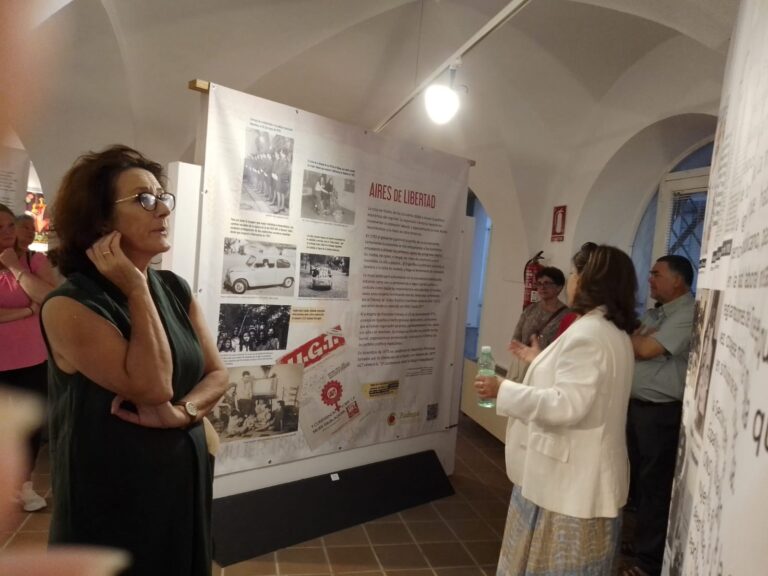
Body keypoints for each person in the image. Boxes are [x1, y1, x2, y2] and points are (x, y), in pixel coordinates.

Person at [40, 145, 229, 576]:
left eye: (163, 196)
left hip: (180, 485)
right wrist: (136, 287)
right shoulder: (69, 305)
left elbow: (218, 374)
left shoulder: (175, 288)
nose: (163, 209)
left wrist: (185, 413)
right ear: (102, 220)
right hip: (113, 495)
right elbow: (152, 386)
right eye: (145, 199)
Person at [475, 245, 638, 575]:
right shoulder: (610, 330)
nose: (572, 280)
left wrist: (502, 389)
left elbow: (567, 405)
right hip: (577, 473)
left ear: (592, 280)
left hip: (571, 480)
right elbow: (586, 387)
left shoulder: (590, 334)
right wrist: (539, 361)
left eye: (577, 273)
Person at [623, 255, 695, 576]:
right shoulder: (656, 313)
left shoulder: (686, 313)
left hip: (661, 415)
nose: (649, 279)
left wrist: (637, 340)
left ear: (678, 280)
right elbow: (633, 342)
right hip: (637, 409)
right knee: (637, 483)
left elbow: (645, 349)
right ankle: (640, 544)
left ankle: (648, 562)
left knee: (654, 488)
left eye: (656, 274)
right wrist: (637, 340)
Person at [0, 203, 57, 512]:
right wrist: (25, 310)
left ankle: (23, 486)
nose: (8, 233)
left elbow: (49, 297)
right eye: (0, 228)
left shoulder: (35, 260)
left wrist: (14, 267)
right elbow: (35, 302)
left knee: (30, 424)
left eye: (11, 225)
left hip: (31, 359)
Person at [507, 266, 569, 379]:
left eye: (547, 283)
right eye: (539, 283)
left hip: (546, 370)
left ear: (559, 287)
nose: (542, 287)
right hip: (523, 365)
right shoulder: (530, 310)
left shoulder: (567, 315)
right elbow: (516, 338)